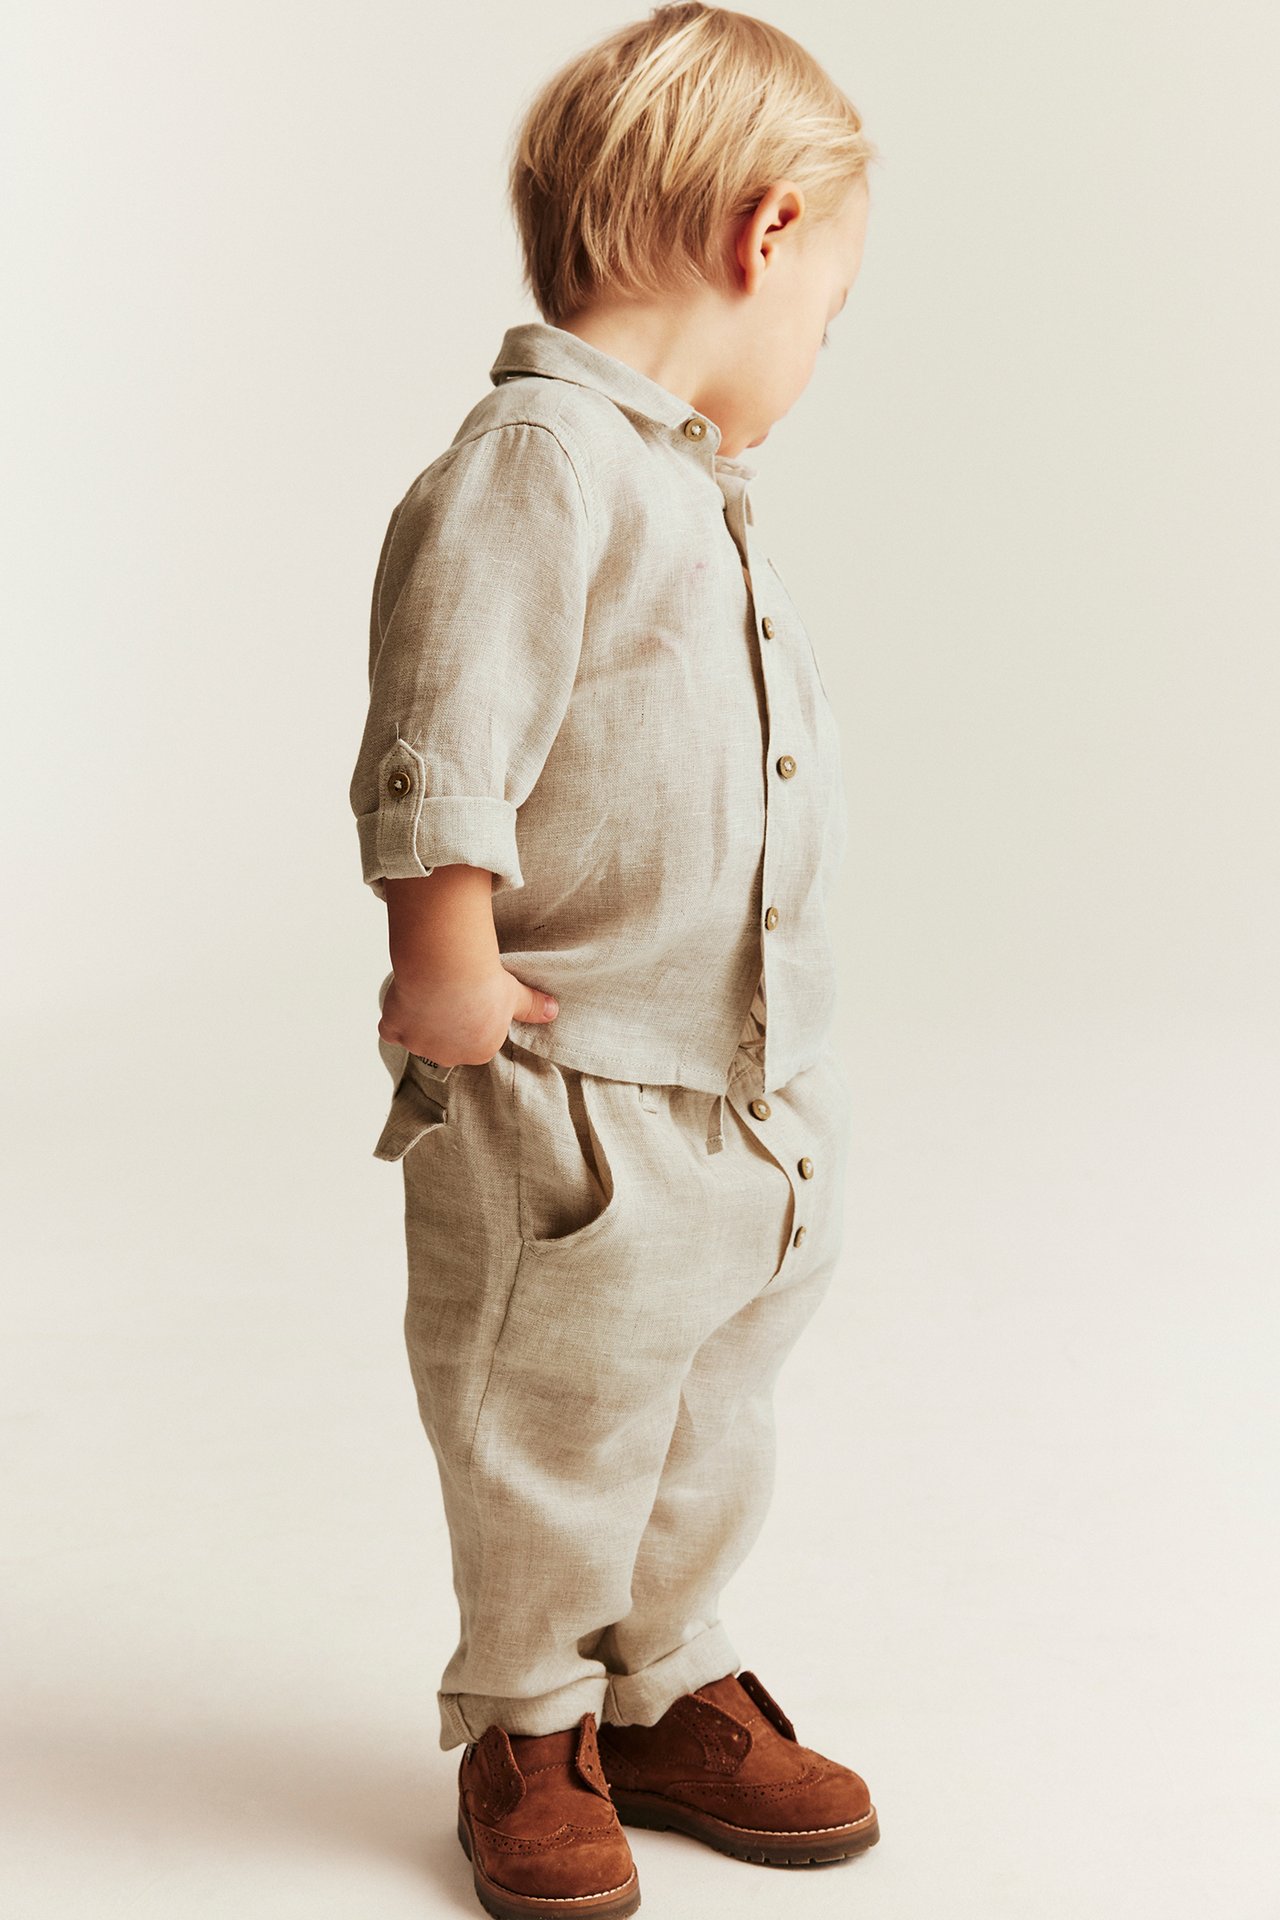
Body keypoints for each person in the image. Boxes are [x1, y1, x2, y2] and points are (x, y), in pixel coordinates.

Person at [348, 6, 881, 1913]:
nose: (820, 346)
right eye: (833, 306)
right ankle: (525, 1713)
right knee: (551, 1415)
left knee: (704, 1406)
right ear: (765, 233)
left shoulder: (682, 481)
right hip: (566, 1078)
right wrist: (445, 957)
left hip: (727, 1082)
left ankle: (659, 1680)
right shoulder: (538, 463)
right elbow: (449, 724)